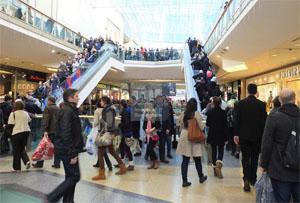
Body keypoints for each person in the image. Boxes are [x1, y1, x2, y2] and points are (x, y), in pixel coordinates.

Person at [260, 88, 299, 202]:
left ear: (280, 100)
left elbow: (267, 143)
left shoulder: (274, 118)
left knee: (282, 199)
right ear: (294, 99)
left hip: (279, 168)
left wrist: (264, 164)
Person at [47, 89, 85, 202]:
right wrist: (72, 153)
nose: (78, 98)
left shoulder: (70, 110)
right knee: (74, 176)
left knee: (70, 177)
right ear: (70, 98)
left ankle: (68, 201)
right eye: (76, 96)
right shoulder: (67, 111)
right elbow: (65, 132)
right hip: (67, 150)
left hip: (68, 148)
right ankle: (52, 197)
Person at [234, 84, 267, 192]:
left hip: (244, 136)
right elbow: (264, 122)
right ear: (256, 91)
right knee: (254, 157)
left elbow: (237, 120)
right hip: (257, 136)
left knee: (245, 157)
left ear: (247, 91)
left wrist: (236, 134)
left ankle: (246, 178)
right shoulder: (261, 105)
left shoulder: (240, 104)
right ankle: (253, 178)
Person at [92, 96, 127, 180]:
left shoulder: (108, 110)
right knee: (112, 151)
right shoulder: (108, 109)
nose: (100, 103)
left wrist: (101, 120)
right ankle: (122, 167)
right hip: (108, 133)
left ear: (104, 101)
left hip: (107, 133)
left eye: (101, 101)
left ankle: (102, 173)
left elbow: (109, 123)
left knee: (100, 153)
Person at [176, 98, 207, 187]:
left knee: (185, 160)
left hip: (185, 135)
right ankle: (201, 177)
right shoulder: (196, 114)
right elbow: (201, 127)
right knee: (197, 159)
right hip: (195, 136)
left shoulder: (183, 113)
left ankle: (184, 180)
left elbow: (181, 125)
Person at [32, 97, 60, 169]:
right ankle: (57, 163)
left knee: (43, 147)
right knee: (57, 148)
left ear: (49, 101)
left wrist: (44, 129)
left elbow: (46, 119)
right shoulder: (58, 108)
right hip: (57, 131)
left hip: (50, 131)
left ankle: (39, 163)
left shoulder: (48, 108)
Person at [206, 97, 228, 179]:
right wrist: (226, 138)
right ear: (220, 103)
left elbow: (208, 124)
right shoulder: (223, 113)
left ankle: (215, 168)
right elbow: (226, 126)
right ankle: (219, 165)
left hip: (213, 134)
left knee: (214, 150)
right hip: (221, 134)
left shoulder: (210, 112)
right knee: (221, 149)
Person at [8, 101, 31, 172]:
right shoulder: (26, 113)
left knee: (16, 150)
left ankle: (16, 168)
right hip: (26, 131)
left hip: (17, 132)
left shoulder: (13, 114)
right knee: (21, 148)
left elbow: (10, 125)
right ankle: (26, 161)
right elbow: (29, 120)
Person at [92, 100, 112, 171]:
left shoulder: (97, 111)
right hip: (107, 131)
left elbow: (96, 122)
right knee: (102, 148)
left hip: (99, 131)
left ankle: (108, 165)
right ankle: (99, 163)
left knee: (101, 149)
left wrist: (93, 124)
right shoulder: (105, 110)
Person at [143, 103, 161, 169]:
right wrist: (146, 129)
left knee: (150, 148)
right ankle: (152, 162)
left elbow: (159, 125)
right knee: (149, 149)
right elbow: (144, 125)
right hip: (147, 135)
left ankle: (156, 161)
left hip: (154, 134)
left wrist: (152, 129)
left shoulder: (155, 115)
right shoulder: (146, 115)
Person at [118, 100, 134, 171]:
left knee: (127, 148)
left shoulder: (125, 112)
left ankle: (131, 164)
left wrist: (120, 125)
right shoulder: (129, 111)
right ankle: (122, 162)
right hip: (128, 131)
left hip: (126, 132)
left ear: (121, 105)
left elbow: (125, 123)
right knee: (121, 146)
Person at [155, 96, 170, 164]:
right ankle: (152, 157)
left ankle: (162, 157)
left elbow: (167, 119)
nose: (160, 100)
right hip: (155, 129)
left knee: (162, 144)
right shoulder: (154, 108)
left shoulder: (165, 108)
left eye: (161, 99)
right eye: (159, 99)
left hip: (163, 128)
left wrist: (167, 128)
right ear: (156, 100)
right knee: (152, 144)